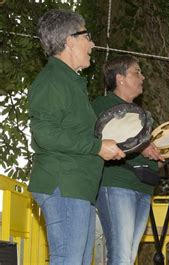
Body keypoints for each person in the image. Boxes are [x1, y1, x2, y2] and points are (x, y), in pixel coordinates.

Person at [27, 9, 125, 264]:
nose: (92, 44)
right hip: (64, 183)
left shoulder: (69, 82)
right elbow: (44, 133)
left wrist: (106, 146)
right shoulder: (52, 80)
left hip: (76, 186)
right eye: (87, 36)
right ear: (70, 40)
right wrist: (96, 147)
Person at [91, 55, 164, 264]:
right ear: (120, 78)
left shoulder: (143, 114)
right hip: (116, 184)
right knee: (121, 254)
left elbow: (153, 159)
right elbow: (98, 142)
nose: (143, 77)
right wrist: (142, 147)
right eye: (136, 72)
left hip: (143, 188)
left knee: (129, 256)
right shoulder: (102, 105)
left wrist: (161, 156)